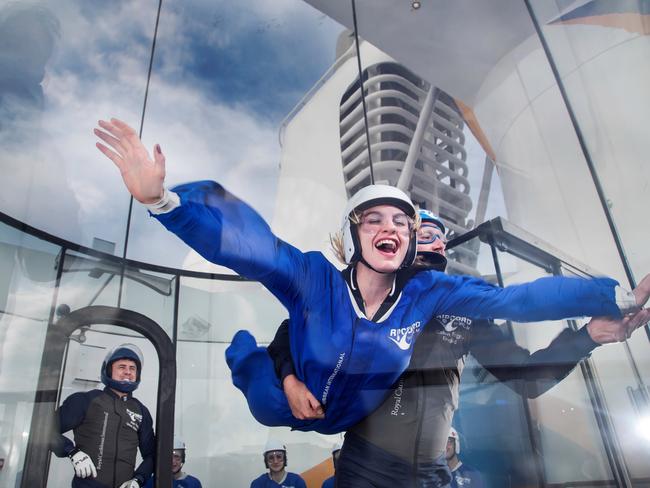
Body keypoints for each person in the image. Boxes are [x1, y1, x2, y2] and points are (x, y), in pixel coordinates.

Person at [93, 118, 649, 436]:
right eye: (377, 220)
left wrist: (609, 300)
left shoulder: (444, 297)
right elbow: (254, 253)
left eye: (410, 226)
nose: (402, 231)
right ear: (355, 234)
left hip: (400, 448)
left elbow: (519, 305)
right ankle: (242, 356)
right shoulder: (318, 279)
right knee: (261, 387)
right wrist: (165, 202)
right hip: (313, 417)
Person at [270, 210, 650, 486]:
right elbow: (289, 332)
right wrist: (290, 379)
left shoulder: (465, 311)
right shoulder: (366, 294)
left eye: (436, 251)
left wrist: (587, 337)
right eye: (419, 247)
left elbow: (525, 379)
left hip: (433, 472)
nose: (427, 262)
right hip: (369, 467)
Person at [52, 343, 155, 488]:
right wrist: (72, 452)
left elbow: (152, 455)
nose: (128, 372)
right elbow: (43, 430)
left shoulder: (141, 411)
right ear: (108, 370)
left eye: (132, 368)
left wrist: (138, 479)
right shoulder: (86, 400)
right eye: (121, 367)